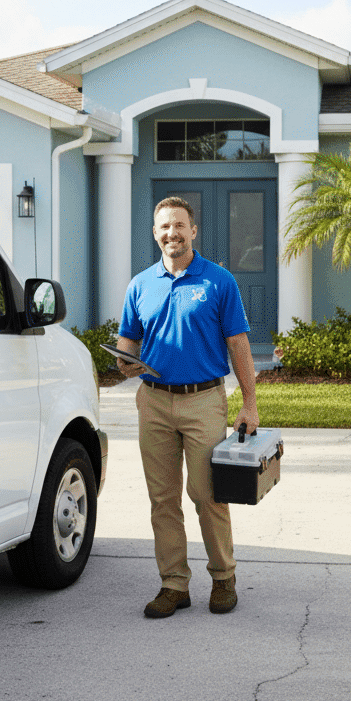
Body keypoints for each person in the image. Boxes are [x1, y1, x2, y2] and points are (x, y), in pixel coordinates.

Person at [116, 196, 259, 618]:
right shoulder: (140, 284)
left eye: (179, 225)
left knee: (208, 495)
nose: (171, 233)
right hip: (154, 402)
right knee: (162, 499)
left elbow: (239, 344)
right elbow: (129, 339)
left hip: (204, 401)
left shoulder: (218, 281)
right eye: (163, 226)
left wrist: (250, 404)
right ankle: (174, 584)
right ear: (154, 232)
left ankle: (223, 578)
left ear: (193, 231)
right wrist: (124, 360)